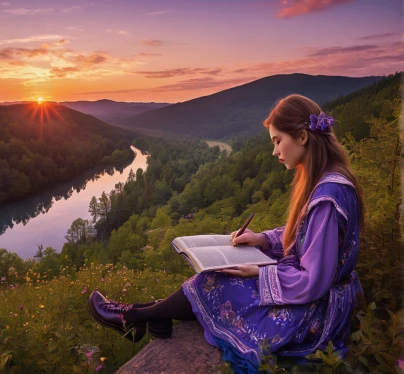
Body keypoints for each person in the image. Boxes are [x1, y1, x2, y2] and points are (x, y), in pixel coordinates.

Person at [88, 94, 364, 373]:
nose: (274, 151)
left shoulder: (328, 196)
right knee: (224, 274)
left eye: (277, 141)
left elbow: (314, 281)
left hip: (319, 309)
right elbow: (310, 235)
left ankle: (136, 315)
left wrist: (259, 272)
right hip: (316, 290)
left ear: (303, 136)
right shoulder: (325, 181)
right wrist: (262, 239)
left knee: (217, 279)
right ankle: (149, 315)